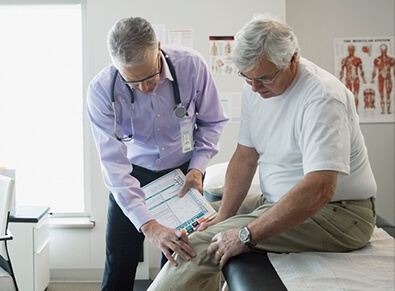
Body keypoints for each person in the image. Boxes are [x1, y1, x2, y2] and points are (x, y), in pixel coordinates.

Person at [147, 14, 377, 291]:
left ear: (292, 60)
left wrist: (245, 234)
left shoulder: (322, 98)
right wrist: (223, 219)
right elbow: (245, 157)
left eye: (264, 78)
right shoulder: (257, 89)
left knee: (197, 247)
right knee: (194, 228)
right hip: (278, 200)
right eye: (247, 79)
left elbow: (319, 189)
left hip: (337, 214)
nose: (255, 88)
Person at [86, 16, 228, 290]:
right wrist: (149, 226)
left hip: (185, 173)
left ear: (159, 48)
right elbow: (113, 164)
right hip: (132, 176)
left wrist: (198, 167)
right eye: (133, 83)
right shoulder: (102, 90)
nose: (145, 87)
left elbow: (212, 122)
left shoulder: (191, 65)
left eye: (150, 76)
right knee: (119, 263)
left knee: (179, 261)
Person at [339, 44, 367, 113]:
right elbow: (342, 71)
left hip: (356, 79)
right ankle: (350, 111)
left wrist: (363, 79)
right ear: (348, 50)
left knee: (356, 95)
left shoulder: (358, 59)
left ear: (354, 50)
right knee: (349, 95)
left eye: (352, 50)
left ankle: (355, 111)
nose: (351, 51)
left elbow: (361, 70)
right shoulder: (344, 60)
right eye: (350, 50)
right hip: (348, 78)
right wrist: (339, 80)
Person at [371, 43, 395, 114]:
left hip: (388, 78)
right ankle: (382, 110)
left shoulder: (391, 60)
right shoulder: (377, 60)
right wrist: (372, 78)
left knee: (388, 95)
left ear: (387, 50)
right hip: (380, 78)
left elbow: (394, 70)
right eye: (382, 50)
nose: (383, 51)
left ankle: (388, 110)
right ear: (380, 50)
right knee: (381, 94)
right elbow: (374, 70)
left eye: (385, 50)